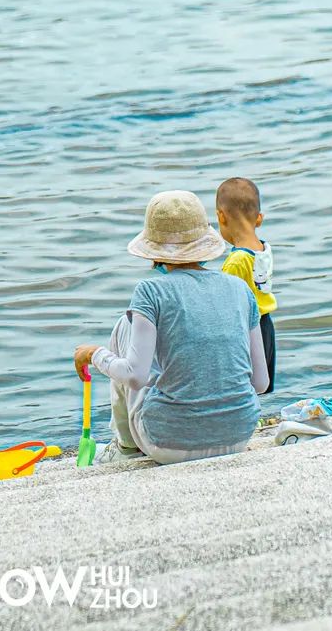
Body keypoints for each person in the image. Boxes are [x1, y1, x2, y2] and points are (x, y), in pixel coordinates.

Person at [74, 190, 268, 465]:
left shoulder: (150, 291)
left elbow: (135, 376)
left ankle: (126, 447)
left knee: (124, 326)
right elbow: (260, 383)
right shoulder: (239, 289)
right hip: (238, 434)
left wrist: (94, 354)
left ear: (153, 248)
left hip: (167, 442)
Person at [216, 177, 277, 395]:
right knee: (261, 382)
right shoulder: (263, 249)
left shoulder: (236, 260)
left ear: (221, 217)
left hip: (247, 329)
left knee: (244, 382)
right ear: (259, 219)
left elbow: (227, 302)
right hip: (266, 324)